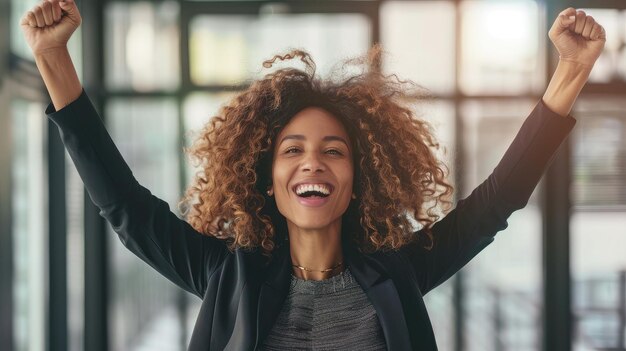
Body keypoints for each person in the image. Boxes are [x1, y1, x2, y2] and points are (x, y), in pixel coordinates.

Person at [21, 1, 606, 350]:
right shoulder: (229, 274)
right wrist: (52, 59)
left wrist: (571, 74)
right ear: (269, 179)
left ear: (356, 179)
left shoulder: (397, 274)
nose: (312, 162)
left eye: (334, 151)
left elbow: (492, 206)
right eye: (292, 150)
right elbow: (125, 208)